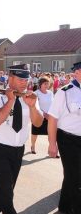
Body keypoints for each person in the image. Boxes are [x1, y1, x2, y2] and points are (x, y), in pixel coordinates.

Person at [0, 64, 43, 214]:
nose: (25, 82)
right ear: (10, 78)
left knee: (5, 187)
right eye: (20, 79)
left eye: (26, 79)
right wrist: (10, 100)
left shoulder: (30, 98)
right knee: (6, 194)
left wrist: (32, 107)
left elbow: (38, 122)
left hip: (18, 150)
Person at [48, 61, 81, 214]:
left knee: (71, 175)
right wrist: (52, 144)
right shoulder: (65, 91)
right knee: (75, 176)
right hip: (68, 140)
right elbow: (53, 118)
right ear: (78, 72)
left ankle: (64, 206)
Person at [31, 76, 53, 154]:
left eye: (48, 84)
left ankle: (51, 149)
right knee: (35, 133)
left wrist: (50, 114)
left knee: (50, 134)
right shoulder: (36, 93)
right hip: (38, 116)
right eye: (45, 84)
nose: (47, 85)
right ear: (40, 84)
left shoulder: (50, 93)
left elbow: (52, 104)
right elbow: (36, 106)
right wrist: (43, 114)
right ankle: (33, 146)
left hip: (49, 117)